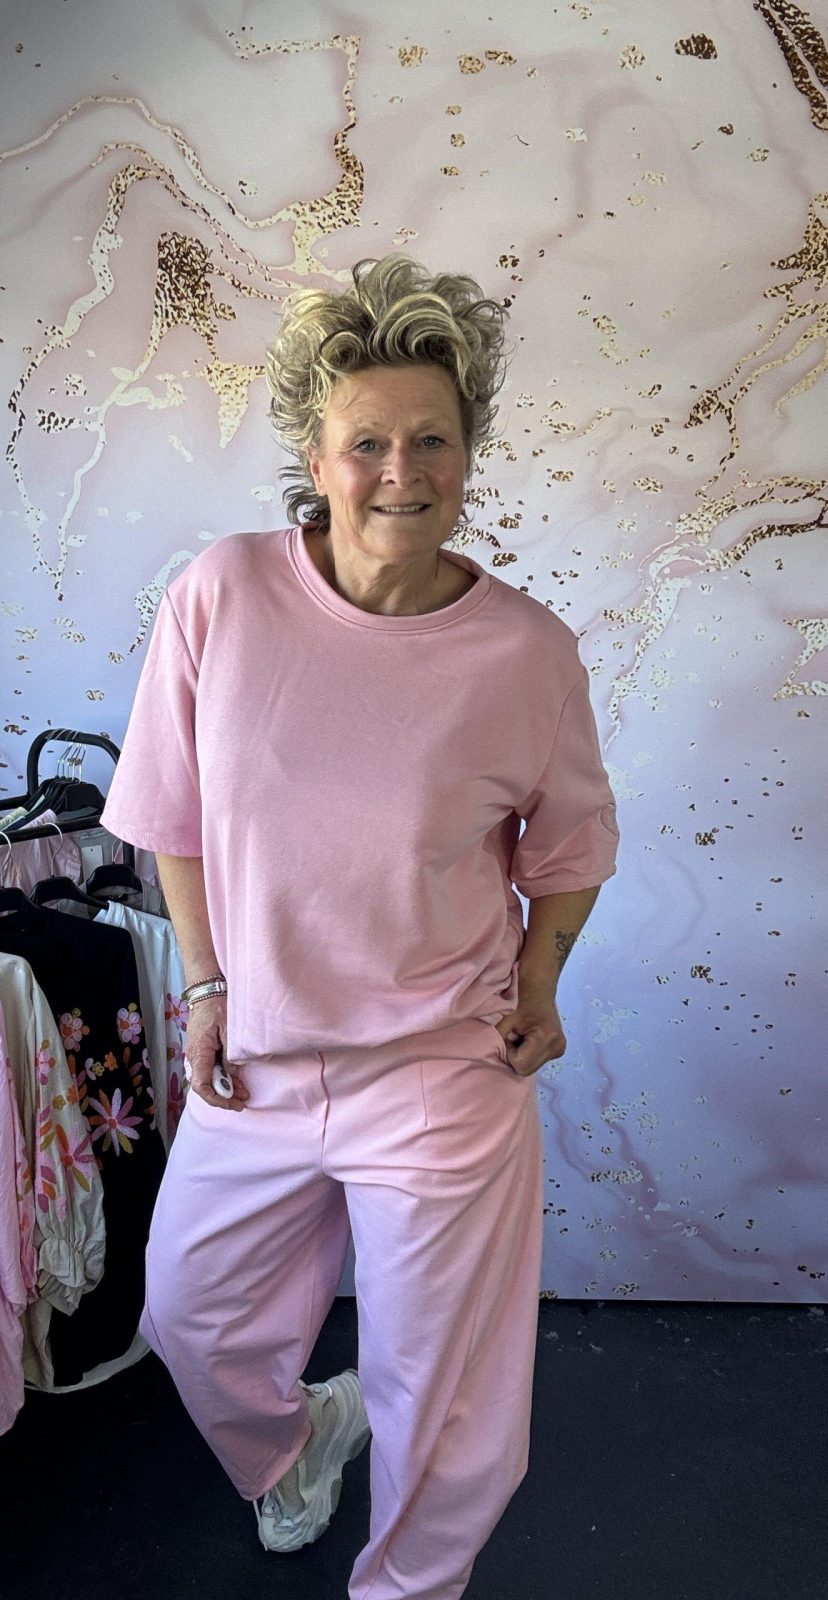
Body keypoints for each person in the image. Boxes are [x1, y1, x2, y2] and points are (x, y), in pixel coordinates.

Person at [100, 254, 620, 1599]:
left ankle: (408, 1588)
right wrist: (205, 986)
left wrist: (541, 983)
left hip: (441, 1069)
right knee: (192, 1319)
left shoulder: (526, 654)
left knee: (439, 1396)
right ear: (317, 456)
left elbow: (569, 850)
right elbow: (171, 816)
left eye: (432, 440)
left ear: (469, 453)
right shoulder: (222, 595)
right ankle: (294, 1451)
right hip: (261, 1060)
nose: (402, 472)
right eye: (368, 442)